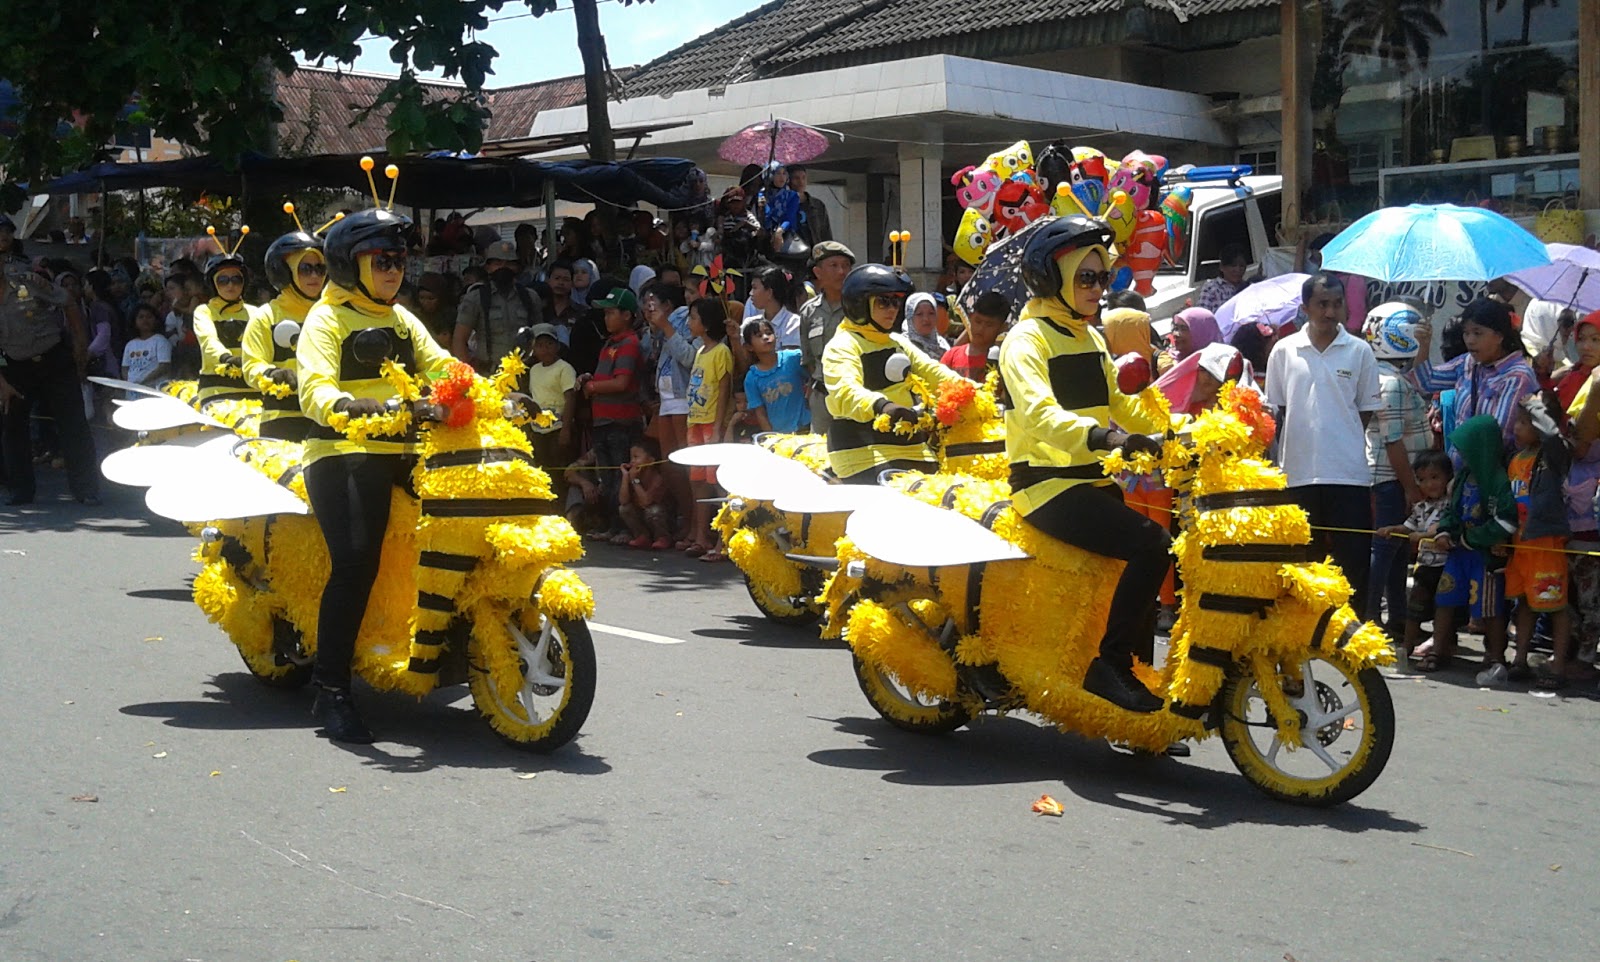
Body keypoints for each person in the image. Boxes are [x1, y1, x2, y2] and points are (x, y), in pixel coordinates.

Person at [997, 215, 1185, 713]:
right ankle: (1114, 667)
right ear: (1052, 277)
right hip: (1045, 487)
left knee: (1150, 556)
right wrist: (1107, 437)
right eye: (1087, 277)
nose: (1098, 288)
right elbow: (1040, 416)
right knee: (1152, 543)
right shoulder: (1026, 340)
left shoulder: (1090, 336)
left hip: (1091, 484)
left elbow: (1123, 407)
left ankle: (1133, 686)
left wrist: (1183, 431)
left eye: (1104, 278)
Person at [296, 206, 456, 743]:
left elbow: (444, 366)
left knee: (453, 532)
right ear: (350, 264)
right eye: (382, 260)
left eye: (400, 260)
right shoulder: (325, 320)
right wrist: (354, 407)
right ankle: (331, 689)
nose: (394, 271)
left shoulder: (402, 319)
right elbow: (314, 390)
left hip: (406, 447)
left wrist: (497, 391)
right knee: (357, 563)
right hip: (342, 452)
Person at [1265, 272, 1383, 615]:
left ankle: (1353, 639)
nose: (1330, 312)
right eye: (1322, 305)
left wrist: (1339, 438)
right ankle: (1304, 639)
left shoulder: (1360, 351)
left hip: (1349, 475)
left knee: (1353, 564)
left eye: (1337, 304)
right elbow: (1279, 411)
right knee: (1303, 563)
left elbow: (1364, 412)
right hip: (1298, 475)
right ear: (1305, 308)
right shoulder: (1283, 351)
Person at [822, 263, 963, 483]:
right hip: (862, 452)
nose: (892, 309)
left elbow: (932, 370)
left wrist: (973, 391)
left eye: (896, 301)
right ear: (860, 305)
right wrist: (883, 406)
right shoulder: (842, 345)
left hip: (912, 445)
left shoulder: (897, 342)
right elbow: (845, 392)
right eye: (883, 301)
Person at [1472, 395, 1571, 688]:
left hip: (1543, 544)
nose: (1516, 428)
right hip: (1518, 545)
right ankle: (1520, 660)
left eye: (1525, 423)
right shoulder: (1516, 459)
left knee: (1554, 604)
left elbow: (1553, 437)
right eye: (1518, 421)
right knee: (1524, 603)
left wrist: (1536, 407)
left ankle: (1558, 665)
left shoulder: (1551, 457)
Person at [0, 215, 100, 506]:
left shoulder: (27, 279)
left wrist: (80, 348)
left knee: (73, 425)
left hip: (54, 358)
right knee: (13, 426)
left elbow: (68, 301)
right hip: (15, 365)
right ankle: (20, 490)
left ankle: (86, 489)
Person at [1417, 416, 1516, 673]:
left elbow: (1506, 521)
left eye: (1465, 448)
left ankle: (1495, 657)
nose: (1461, 454)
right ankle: (1439, 649)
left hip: (1484, 558)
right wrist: (1444, 531)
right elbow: (1452, 510)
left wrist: (1472, 538)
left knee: (1490, 608)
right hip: (1457, 555)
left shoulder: (1497, 481)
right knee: (1445, 599)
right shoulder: (1463, 478)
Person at [1362, 301, 1432, 633]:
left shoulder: (1380, 375)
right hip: (1393, 479)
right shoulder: (1392, 384)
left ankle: (1398, 617)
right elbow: (1393, 442)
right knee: (1386, 548)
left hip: (1388, 477)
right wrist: (1410, 488)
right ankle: (1370, 617)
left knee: (1396, 552)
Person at [1409, 297, 1539, 459]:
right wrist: (1424, 344)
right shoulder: (1468, 362)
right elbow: (1425, 382)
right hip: (1463, 472)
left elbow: (1499, 435)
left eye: (1478, 333)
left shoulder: (1517, 377)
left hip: (1493, 473)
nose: (1470, 340)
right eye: (1466, 333)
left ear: (1499, 336)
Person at [242, 228, 325, 442]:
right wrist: (274, 375)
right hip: (283, 419)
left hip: (326, 420)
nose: (315, 276)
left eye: (320, 268)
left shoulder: (334, 316)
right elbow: (251, 366)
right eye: (305, 269)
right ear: (286, 272)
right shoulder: (266, 316)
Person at [578, 287, 646, 541]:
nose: (606, 318)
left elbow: (621, 383)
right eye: (605, 313)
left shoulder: (629, 343)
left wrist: (592, 387)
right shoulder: (609, 344)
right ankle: (612, 525)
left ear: (627, 315)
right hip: (602, 419)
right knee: (606, 475)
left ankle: (626, 527)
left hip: (621, 420)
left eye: (611, 312)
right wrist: (590, 378)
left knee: (620, 475)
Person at [1375, 449, 1453, 660]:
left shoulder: (1450, 505)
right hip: (1424, 567)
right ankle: (1406, 647)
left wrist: (1422, 535)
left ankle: (1439, 648)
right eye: (1422, 479)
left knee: (1442, 610)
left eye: (1435, 477)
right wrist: (1392, 529)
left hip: (1446, 569)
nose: (1429, 484)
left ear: (1448, 477)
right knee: (1414, 608)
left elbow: (1438, 529)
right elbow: (1408, 527)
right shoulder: (1420, 507)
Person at [641, 281, 695, 535]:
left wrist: (664, 325)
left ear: (668, 305)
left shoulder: (684, 317)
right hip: (666, 399)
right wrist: (655, 328)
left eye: (652, 303)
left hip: (684, 398)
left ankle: (697, 526)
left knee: (688, 467)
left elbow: (689, 357)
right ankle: (688, 522)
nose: (648, 309)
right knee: (671, 467)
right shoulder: (658, 326)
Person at [684, 297, 734, 560]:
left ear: (707, 322)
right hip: (695, 422)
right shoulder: (700, 352)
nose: (690, 322)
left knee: (717, 484)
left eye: (693, 317)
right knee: (698, 481)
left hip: (710, 424)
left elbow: (723, 391)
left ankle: (724, 542)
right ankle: (701, 538)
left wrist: (717, 428)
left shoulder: (721, 352)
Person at [192, 246, 265, 410]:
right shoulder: (204, 311)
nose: (230, 285)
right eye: (223, 280)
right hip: (215, 390)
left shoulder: (256, 313)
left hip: (253, 389)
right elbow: (208, 341)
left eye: (236, 279)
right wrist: (227, 358)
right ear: (213, 283)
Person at [453, 240, 541, 371]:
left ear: (517, 267)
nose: (503, 268)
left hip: (524, 373)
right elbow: (459, 339)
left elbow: (539, 336)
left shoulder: (530, 297)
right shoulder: (476, 298)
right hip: (488, 374)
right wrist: (469, 374)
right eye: (498, 263)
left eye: (509, 264)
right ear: (488, 267)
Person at [797, 241, 855, 431]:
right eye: (834, 266)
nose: (841, 272)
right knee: (820, 452)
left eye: (846, 266)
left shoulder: (859, 307)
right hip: (822, 397)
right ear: (818, 272)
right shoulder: (808, 311)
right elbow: (809, 359)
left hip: (855, 394)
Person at [524, 323, 577, 502]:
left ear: (557, 346)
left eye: (549, 344)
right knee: (543, 469)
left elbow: (570, 398)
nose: (544, 349)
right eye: (539, 345)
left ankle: (562, 507)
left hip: (558, 428)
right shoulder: (534, 370)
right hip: (538, 429)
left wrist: (566, 429)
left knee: (559, 471)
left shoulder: (564, 368)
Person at [742, 317, 811, 434]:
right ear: (749, 347)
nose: (765, 337)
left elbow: (813, 375)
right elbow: (760, 413)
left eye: (769, 333)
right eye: (759, 335)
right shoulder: (752, 378)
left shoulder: (793, 358)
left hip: (806, 426)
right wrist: (772, 437)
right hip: (779, 434)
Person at [617, 437, 673, 550]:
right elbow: (623, 500)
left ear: (651, 460)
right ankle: (641, 535)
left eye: (636, 457)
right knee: (624, 509)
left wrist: (635, 481)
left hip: (659, 516)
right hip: (641, 513)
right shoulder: (632, 475)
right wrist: (625, 477)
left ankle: (662, 537)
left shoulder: (657, 478)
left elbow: (646, 501)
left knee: (654, 511)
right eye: (631, 457)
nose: (632, 461)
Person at [942, 291, 1009, 382]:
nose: (981, 329)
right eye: (978, 321)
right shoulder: (952, 355)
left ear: (1002, 327)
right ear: (970, 317)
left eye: (989, 325)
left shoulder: (1004, 360)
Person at [120, 304, 172, 398]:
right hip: (133, 393)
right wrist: (130, 383)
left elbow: (164, 366)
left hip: (154, 392)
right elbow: (125, 368)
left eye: (149, 317)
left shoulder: (161, 341)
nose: (145, 320)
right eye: (141, 317)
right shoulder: (130, 344)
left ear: (156, 320)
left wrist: (143, 382)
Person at [747, 267, 801, 349]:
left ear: (769, 292)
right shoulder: (749, 323)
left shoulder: (794, 324)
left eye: (754, 288)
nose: (751, 293)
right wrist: (735, 339)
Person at [1196, 243, 1249, 312]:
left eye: (1241, 266)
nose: (1238, 270)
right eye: (1233, 266)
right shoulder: (1211, 288)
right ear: (1222, 267)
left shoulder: (1248, 288)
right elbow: (1202, 315)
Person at [1163, 306, 1220, 370]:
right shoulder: (1168, 364)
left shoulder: (1222, 367)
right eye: (1176, 328)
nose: (1176, 334)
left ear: (1202, 332)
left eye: (1183, 329)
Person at [902, 292, 949, 359]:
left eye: (931, 313)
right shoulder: (904, 346)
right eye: (919, 314)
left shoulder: (942, 344)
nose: (926, 319)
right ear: (910, 318)